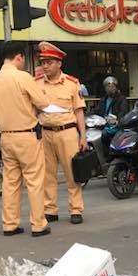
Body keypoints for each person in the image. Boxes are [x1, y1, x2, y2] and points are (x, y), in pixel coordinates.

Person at [0, 41, 51, 236]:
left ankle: (10, 224)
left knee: (10, 182)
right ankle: (38, 224)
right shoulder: (23, 77)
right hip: (26, 135)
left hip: (6, 137)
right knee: (34, 180)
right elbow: (43, 102)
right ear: (19, 57)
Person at [35, 41, 87, 225]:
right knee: (47, 174)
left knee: (72, 173)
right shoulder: (36, 83)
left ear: (59, 63)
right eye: (43, 62)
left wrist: (83, 136)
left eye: (49, 62)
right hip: (45, 133)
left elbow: (79, 111)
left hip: (67, 132)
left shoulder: (72, 83)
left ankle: (76, 209)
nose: (45, 66)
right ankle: (50, 209)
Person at [95, 76, 128, 152]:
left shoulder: (121, 99)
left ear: (116, 87)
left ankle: (107, 154)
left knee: (104, 134)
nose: (110, 88)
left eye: (112, 86)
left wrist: (116, 120)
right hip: (103, 124)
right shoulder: (103, 100)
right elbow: (97, 111)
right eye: (108, 86)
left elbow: (123, 111)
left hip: (116, 126)